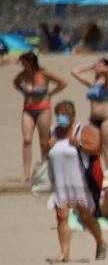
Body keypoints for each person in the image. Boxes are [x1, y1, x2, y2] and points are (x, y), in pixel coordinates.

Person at [43, 99, 106, 263]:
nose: (60, 118)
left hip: (79, 182)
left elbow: (96, 149)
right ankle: (64, 253)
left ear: (72, 116)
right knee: (61, 217)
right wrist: (49, 145)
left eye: (64, 114)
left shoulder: (81, 130)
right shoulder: (54, 132)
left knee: (85, 216)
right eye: (58, 114)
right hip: (60, 182)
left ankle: (101, 242)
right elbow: (48, 155)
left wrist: (79, 145)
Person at [14, 51, 66, 182]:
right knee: (27, 140)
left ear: (31, 62)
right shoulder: (23, 75)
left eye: (24, 62)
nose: (22, 65)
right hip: (28, 110)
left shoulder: (43, 73)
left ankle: (44, 171)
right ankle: (25, 173)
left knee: (44, 142)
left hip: (43, 109)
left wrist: (51, 93)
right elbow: (15, 83)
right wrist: (23, 91)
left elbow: (63, 82)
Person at [69, 58, 108, 165]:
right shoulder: (93, 83)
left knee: (106, 148)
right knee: (92, 146)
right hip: (93, 120)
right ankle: (96, 172)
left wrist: (105, 68)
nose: (96, 67)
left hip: (106, 119)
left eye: (99, 65)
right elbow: (74, 71)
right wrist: (91, 65)